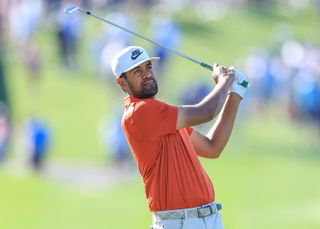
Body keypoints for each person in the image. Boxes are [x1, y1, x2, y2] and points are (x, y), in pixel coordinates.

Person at [111, 46, 248, 229]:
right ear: (122, 83)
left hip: (209, 219)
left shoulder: (165, 116)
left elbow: (212, 147)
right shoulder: (139, 113)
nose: (146, 74)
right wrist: (223, 82)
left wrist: (235, 94)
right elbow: (206, 112)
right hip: (178, 223)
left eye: (148, 67)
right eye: (137, 71)